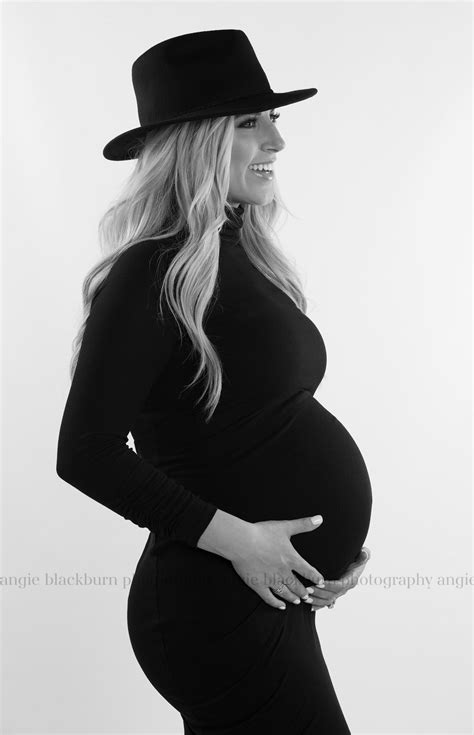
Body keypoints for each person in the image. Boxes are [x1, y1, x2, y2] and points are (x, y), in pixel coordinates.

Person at [56, 29, 372, 734]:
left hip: (263, 596)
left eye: (274, 121)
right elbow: (85, 450)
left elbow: (249, 436)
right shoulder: (150, 273)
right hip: (210, 604)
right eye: (249, 123)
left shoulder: (238, 258)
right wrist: (244, 542)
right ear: (196, 141)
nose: (277, 144)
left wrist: (324, 556)